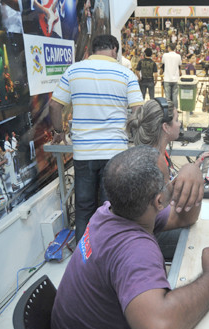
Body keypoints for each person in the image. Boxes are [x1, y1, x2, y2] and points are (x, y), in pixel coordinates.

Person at [51, 145, 209, 329]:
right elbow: (159, 327)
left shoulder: (110, 211)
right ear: (159, 201)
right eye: (169, 177)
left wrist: (193, 175)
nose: (172, 180)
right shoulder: (134, 249)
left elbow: (185, 217)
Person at [49, 34, 143, 245]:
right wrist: (128, 131)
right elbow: (138, 111)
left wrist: (59, 132)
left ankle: (85, 261)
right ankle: (108, 256)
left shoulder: (73, 71)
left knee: (84, 208)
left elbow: (55, 105)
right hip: (115, 154)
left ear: (93, 50)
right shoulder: (126, 74)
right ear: (114, 50)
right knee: (110, 209)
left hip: (84, 154)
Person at [126, 99, 209, 259]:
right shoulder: (151, 165)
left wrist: (195, 167)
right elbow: (169, 208)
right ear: (165, 127)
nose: (180, 124)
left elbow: (166, 191)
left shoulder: (155, 153)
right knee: (202, 238)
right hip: (152, 235)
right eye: (177, 120)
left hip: (156, 224)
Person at [161, 43, 182, 109]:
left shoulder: (165, 55)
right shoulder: (178, 56)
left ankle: (168, 110)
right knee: (175, 96)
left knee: (167, 96)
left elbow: (163, 64)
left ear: (169, 48)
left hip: (167, 78)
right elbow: (179, 65)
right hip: (175, 78)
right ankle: (175, 110)